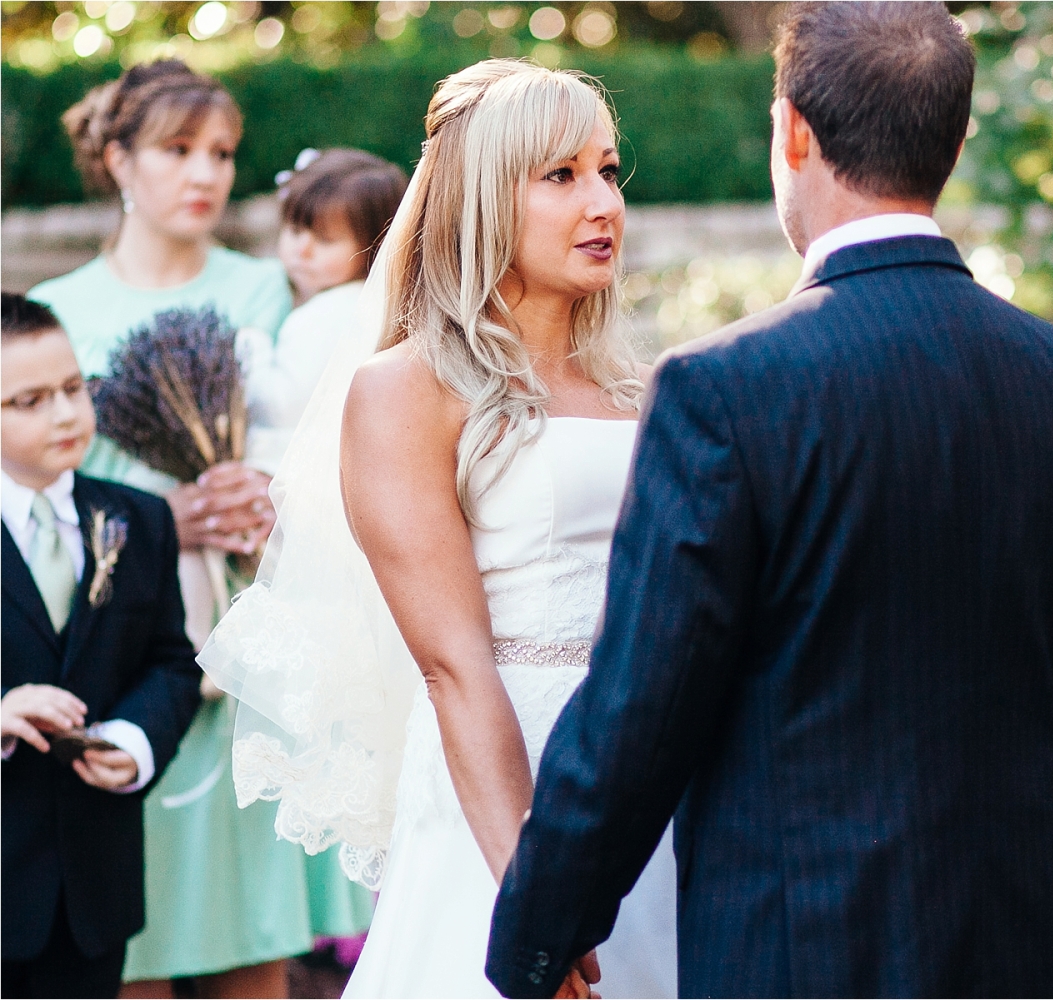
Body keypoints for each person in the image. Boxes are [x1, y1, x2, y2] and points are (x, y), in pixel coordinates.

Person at [488, 4, 1053, 997]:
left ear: (792, 131)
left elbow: (641, 707)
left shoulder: (722, 387)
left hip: (804, 949)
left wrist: (537, 935)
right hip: (1017, 944)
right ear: (957, 140)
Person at [200, 59, 678, 999]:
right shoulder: (404, 390)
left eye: (607, 171)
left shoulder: (645, 389)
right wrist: (533, 900)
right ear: (482, 198)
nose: (602, 204)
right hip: (502, 787)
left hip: (647, 782)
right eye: (560, 175)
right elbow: (453, 667)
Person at [26, 60, 354, 998]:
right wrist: (161, 518)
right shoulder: (60, 311)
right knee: (130, 939)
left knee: (253, 946)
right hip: (117, 650)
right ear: (118, 161)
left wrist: (276, 502)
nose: (206, 173)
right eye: (178, 150)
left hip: (249, 648)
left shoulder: (269, 294)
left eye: (221, 152)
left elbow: (332, 442)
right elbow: (38, 489)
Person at [0, 294, 200, 999]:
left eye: (72, 388)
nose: (64, 414)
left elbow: (171, 662)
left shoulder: (138, 520)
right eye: (28, 401)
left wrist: (137, 741)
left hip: (90, 893)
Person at [239, 148, 408, 476]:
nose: (302, 250)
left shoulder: (328, 315)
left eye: (326, 240)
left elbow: (278, 406)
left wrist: (250, 342)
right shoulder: (379, 307)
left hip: (293, 472)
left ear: (373, 246)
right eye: (294, 230)